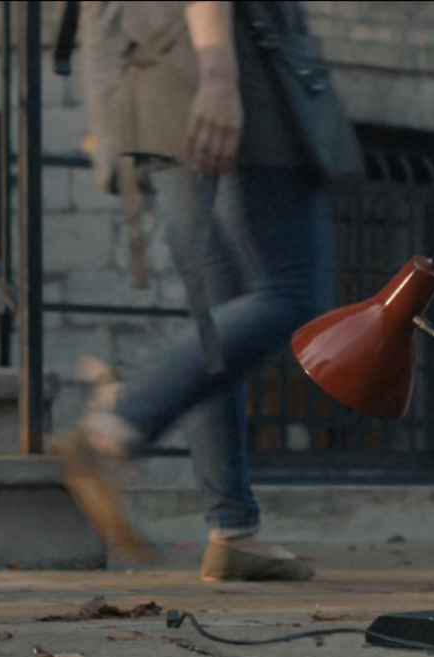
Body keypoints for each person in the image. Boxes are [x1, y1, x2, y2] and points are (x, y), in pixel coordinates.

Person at [63, 0, 345, 581]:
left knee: (222, 323)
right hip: (232, 82)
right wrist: (218, 76)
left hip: (160, 89)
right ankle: (119, 425)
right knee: (292, 292)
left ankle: (233, 529)